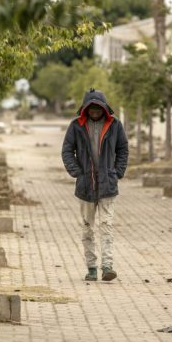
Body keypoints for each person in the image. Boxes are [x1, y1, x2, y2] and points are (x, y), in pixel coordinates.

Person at [62, 89, 129, 281]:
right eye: (90, 108)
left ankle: (107, 266)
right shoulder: (76, 126)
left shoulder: (115, 125)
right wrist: (77, 172)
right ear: (85, 109)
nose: (94, 111)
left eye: (97, 108)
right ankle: (91, 267)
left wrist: (117, 172)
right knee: (87, 228)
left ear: (103, 108)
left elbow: (123, 149)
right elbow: (67, 151)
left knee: (106, 225)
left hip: (108, 185)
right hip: (86, 186)